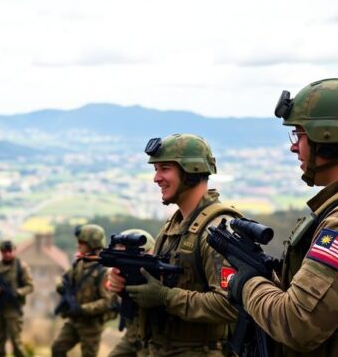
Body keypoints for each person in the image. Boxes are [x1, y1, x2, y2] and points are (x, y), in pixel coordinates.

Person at [225, 79, 338, 355]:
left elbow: (297, 324)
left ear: (327, 138)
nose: (294, 147)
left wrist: (246, 282)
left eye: (299, 134)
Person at [108, 133, 240, 356]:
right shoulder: (173, 226)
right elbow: (161, 286)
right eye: (156, 169)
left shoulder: (217, 231)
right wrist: (128, 287)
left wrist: (166, 297)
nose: (156, 178)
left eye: (165, 169)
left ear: (191, 171)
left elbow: (230, 305)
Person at [51, 224, 113, 357]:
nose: (77, 245)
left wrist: (82, 309)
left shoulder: (103, 271)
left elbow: (107, 302)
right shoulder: (79, 264)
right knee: (57, 348)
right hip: (73, 321)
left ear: (92, 244)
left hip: (91, 325)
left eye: (81, 243)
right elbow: (63, 279)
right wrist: (61, 287)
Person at [0, 239, 34, 357]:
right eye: (5, 251)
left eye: (10, 251)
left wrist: (17, 292)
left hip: (13, 309)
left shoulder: (21, 267)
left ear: (14, 251)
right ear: (1, 252)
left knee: (16, 341)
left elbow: (30, 287)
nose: (7, 254)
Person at [108, 228, 155, 357]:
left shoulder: (157, 277)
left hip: (153, 340)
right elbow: (113, 305)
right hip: (132, 336)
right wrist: (118, 291)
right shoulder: (119, 274)